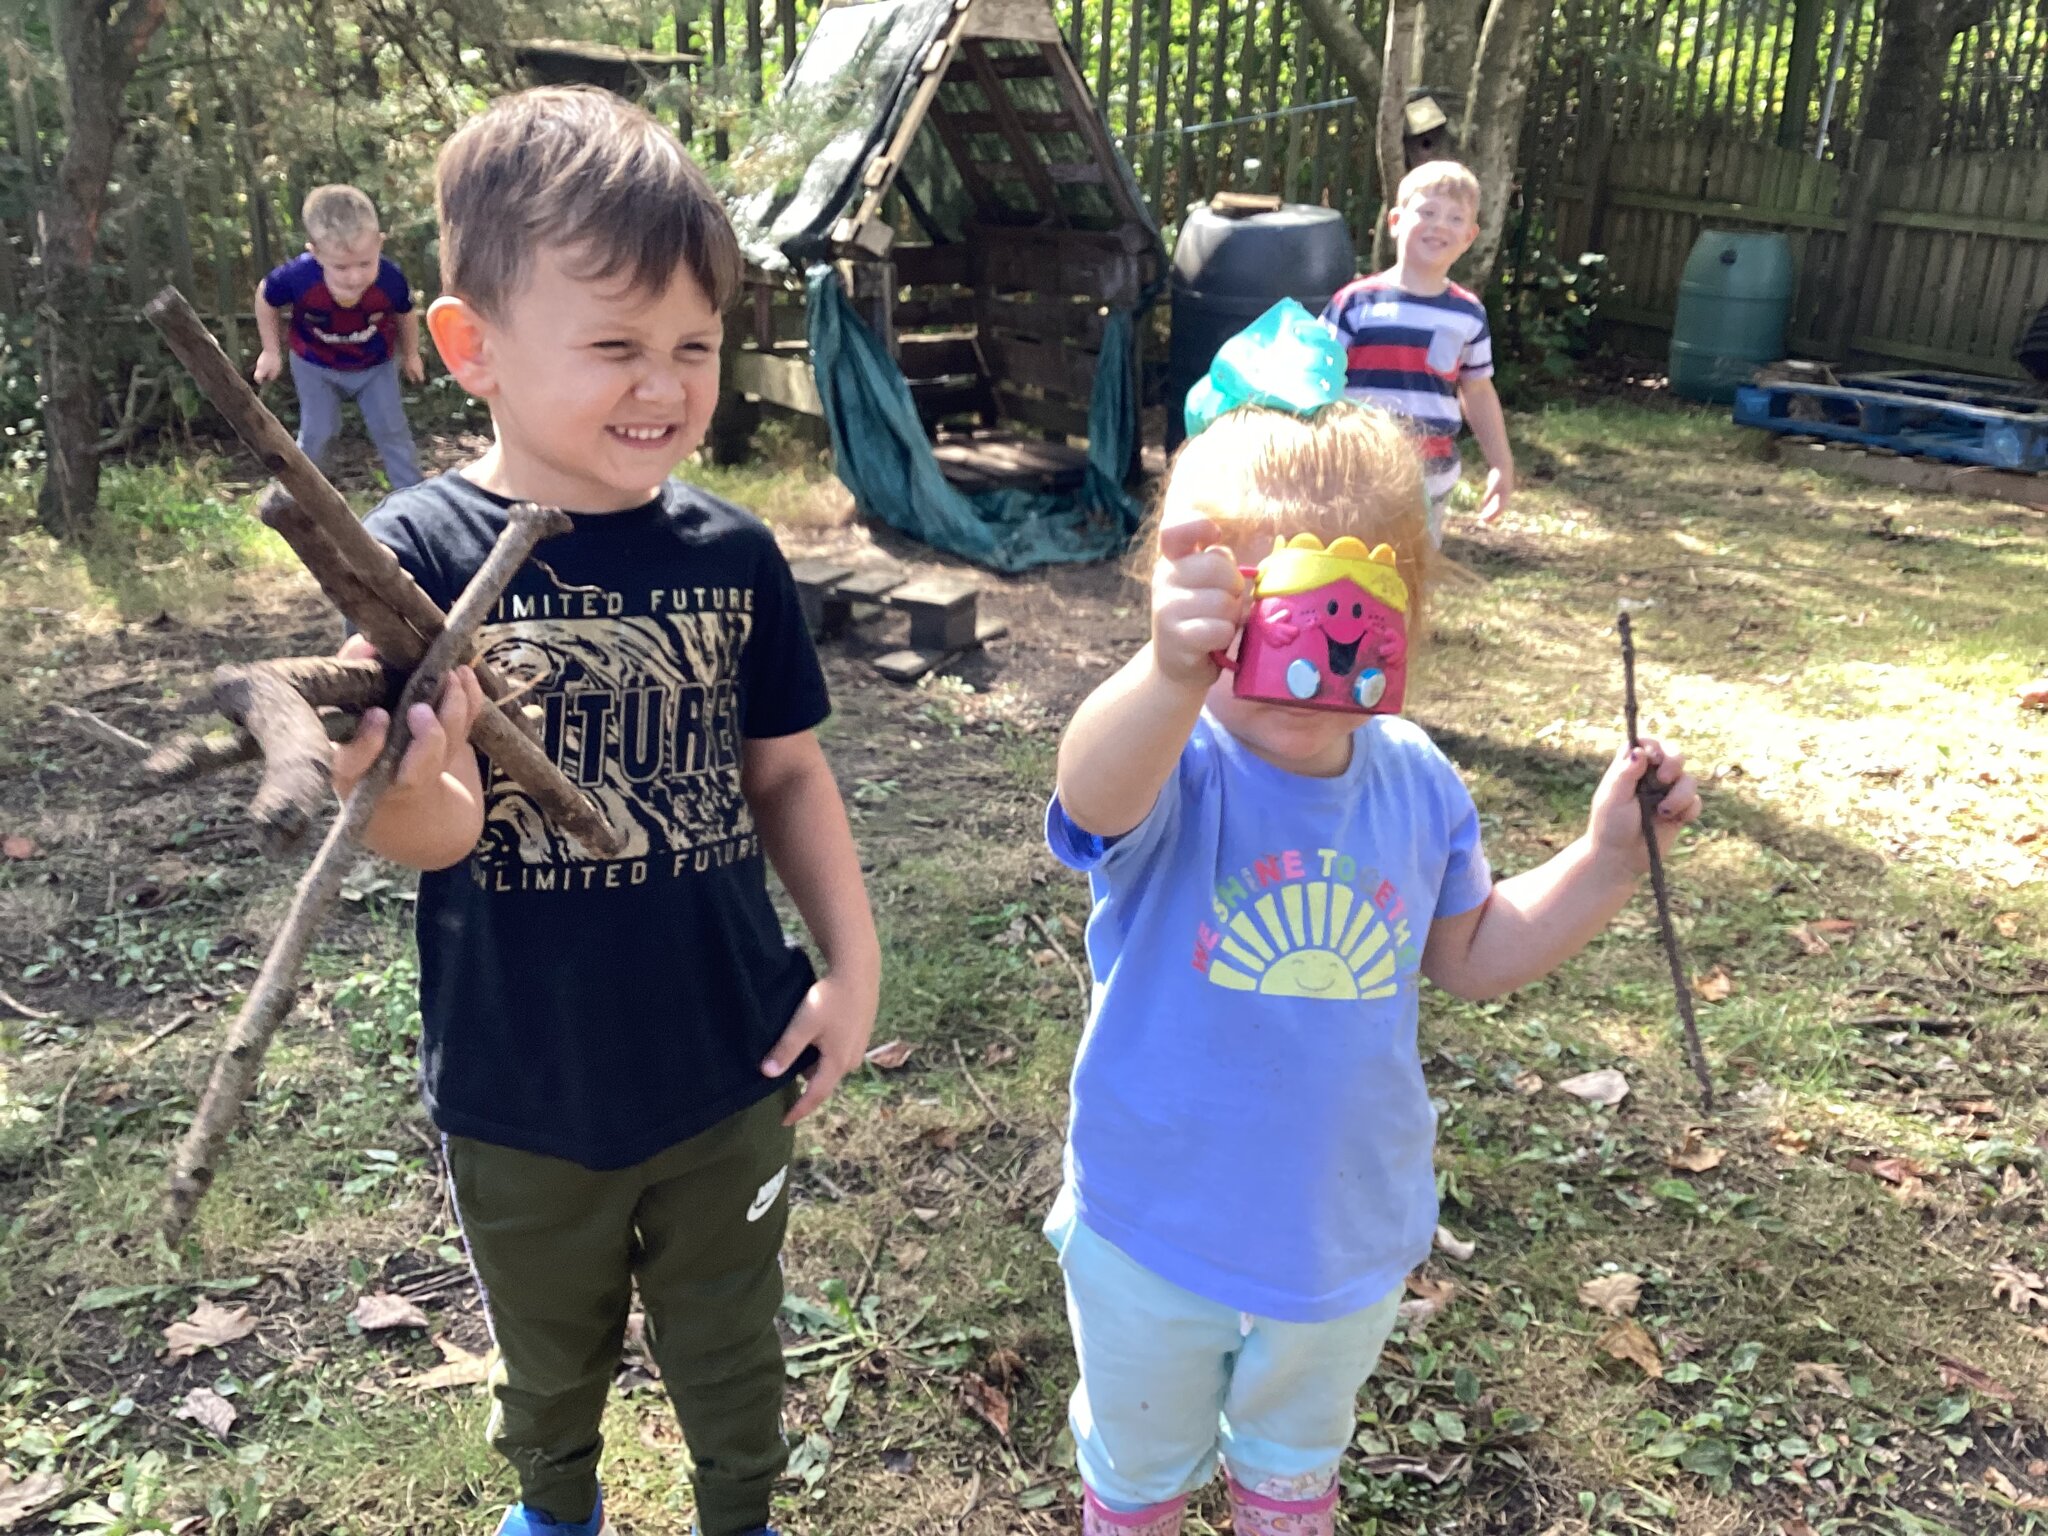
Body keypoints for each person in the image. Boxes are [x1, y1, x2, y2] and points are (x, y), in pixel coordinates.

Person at [1044, 307, 1700, 1536]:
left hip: (1339, 1231)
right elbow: (1089, 792)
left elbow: (1469, 952)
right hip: (1150, 1222)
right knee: (1136, 1468)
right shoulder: (1172, 763)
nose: (1311, 653)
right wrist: (1164, 676)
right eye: (1261, 609)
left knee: (1293, 1461)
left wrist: (1607, 859)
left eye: (1356, 609)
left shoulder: (1413, 777)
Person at [329, 88, 881, 1536]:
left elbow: (788, 775)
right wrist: (389, 778)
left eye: (693, 346)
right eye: (618, 345)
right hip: (525, 1080)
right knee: (547, 1356)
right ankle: (555, 1514)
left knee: (730, 1345)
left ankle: (739, 1515)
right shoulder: (417, 560)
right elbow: (439, 833)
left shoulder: (734, 551)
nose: (667, 385)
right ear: (473, 350)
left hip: (727, 1055)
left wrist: (852, 970)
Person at [1320, 160, 1513, 546]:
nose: (1440, 224)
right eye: (1427, 212)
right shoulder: (1355, 303)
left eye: (1455, 218)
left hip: (1431, 472)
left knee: (1411, 579)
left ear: (1470, 237)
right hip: (1354, 471)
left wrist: (1501, 464)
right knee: (1346, 571)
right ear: (1395, 221)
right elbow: (1314, 380)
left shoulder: (1468, 314)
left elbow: (1476, 390)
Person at [254, 183, 426, 489]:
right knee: (318, 431)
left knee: (392, 429)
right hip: (315, 363)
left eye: (365, 263)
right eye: (341, 267)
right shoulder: (299, 277)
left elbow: (405, 312)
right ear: (316, 253)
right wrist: (270, 351)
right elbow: (266, 296)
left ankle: (413, 494)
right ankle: (299, 496)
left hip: (375, 365)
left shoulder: (390, 278)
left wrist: (411, 354)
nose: (355, 276)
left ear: (379, 244)